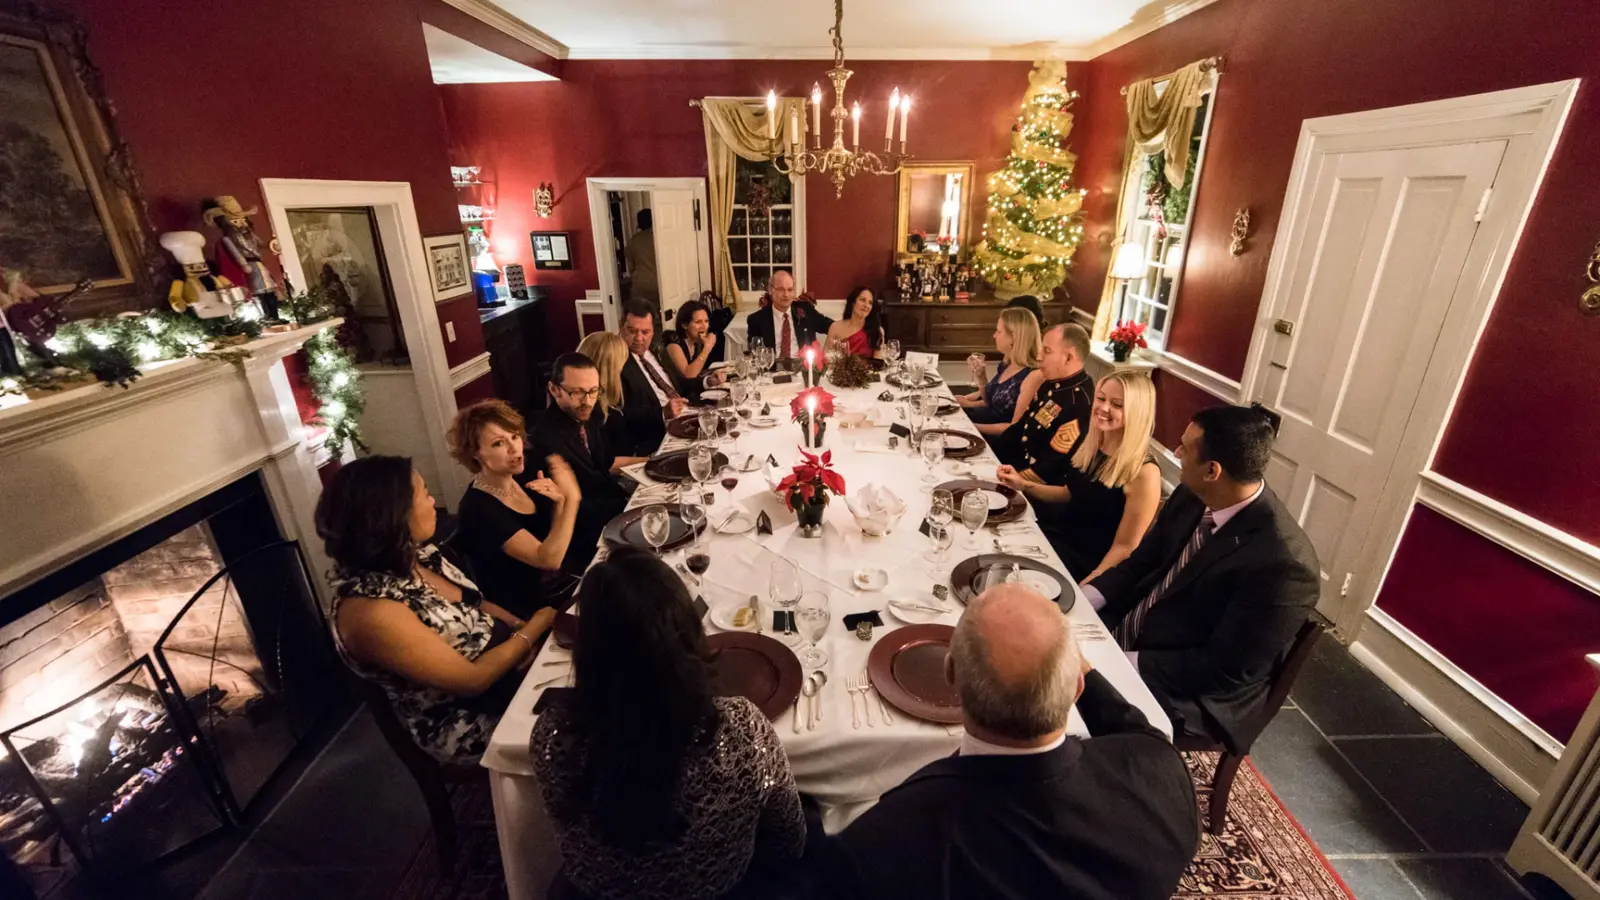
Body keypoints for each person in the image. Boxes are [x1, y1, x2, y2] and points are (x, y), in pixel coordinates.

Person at [819, 583, 1198, 900]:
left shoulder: (890, 838)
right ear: (1077, 687)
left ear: (950, 675)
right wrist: (1081, 676)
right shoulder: (1163, 773)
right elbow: (1138, 734)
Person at [533, 547, 806, 900]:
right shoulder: (740, 726)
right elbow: (790, 842)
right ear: (686, 630)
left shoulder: (552, 734)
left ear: (587, 646)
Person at [1083, 404, 1320, 754]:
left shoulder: (1284, 564)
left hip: (1192, 692)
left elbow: (1222, 670)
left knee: (1063, 710)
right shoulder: (1194, 494)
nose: (1176, 453)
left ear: (1212, 470)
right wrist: (1082, 597)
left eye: (1184, 448)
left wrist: (1118, 660)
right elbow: (1142, 563)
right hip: (1143, 631)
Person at [316, 456, 554, 764]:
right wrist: (535, 627)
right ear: (392, 515)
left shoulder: (418, 555)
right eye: (425, 494)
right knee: (598, 724)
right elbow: (472, 680)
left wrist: (519, 628)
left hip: (506, 675)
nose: (433, 502)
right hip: (472, 720)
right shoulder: (369, 613)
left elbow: (475, 602)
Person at [1013, 371, 1163, 582]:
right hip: (1056, 542)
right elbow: (1069, 493)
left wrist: (1090, 584)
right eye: (1101, 399)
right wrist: (1023, 485)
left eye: (1117, 404)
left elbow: (1125, 547)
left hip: (1085, 564)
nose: (1103, 408)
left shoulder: (1144, 472)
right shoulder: (1094, 444)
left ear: (1138, 411)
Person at [445, 400, 582, 619]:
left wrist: (560, 504)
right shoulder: (479, 508)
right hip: (530, 612)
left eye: (515, 436)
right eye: (499, 443)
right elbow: (547, 559)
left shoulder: (521, 477)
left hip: (561, 586)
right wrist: (572, 499)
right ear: (475, 453)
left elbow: (553, 542)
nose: (514, 448)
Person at [527, 353, 642, 574]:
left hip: (613, 508)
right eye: (577, 392)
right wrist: (629, 507)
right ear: (554, 390)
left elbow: (605, 464)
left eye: (593, 391)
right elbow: (562, 510)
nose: (587, 401)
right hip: (587, 538)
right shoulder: (542, 440)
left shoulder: (588, 415)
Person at [991, 322, 1094, 478]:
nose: (1039, 357)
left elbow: (1050, 469)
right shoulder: (1051, 384)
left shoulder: (1078, 402)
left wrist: (1007, 478)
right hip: (1014, 464)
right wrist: (989, 453)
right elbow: (1020, 428)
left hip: (1033, 486)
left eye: (1047, 351)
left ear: (1068, 357)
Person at [618, 302, 689, 454]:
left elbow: (681, 383)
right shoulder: (617, 361)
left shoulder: (657, 349)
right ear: (621, 327)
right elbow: (622, 415)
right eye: (632, 331)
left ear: (652, 332)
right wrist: (662, 412)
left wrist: (707, 381)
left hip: (686, 416)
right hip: (659, 434)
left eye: (645, 332)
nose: (639, 338)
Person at [959, 307, 1043, 435]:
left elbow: (1014, 429)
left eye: (999, 331)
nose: (994, 335)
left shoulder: (1032, 375)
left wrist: (970, 427)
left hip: (997, 439)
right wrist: (981, 376)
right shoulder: (1007, 363)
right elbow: (989, 402)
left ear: (1013, 337)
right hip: (982, 422)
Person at [744, 270, 832, 365]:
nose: (786, 294)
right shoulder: (756, 320)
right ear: (770, 290)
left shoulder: (806, 310)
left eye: (790, 290)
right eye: (781, 289)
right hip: (772, 372)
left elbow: (830, 326)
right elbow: (754, 352)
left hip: (803, 371)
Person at [664, 299, 719, 399]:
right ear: (684, 325)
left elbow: (699, 372)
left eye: (706, 321)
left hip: (693, 392)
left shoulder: (696, 340)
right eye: (698, 322)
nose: (704, 326)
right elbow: (689, 376)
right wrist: (707, 348)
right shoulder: (674, 344)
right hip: (678, 399)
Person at [824, 286, 883, 359]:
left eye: (870, 303)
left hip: (870, 370)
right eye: (862, 300)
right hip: (840, 370)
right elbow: (825, 358)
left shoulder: (877, 330)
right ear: (853, 302)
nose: (866, 305)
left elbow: (878, 364)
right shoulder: (835, 327)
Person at [625, 208, 658, 315]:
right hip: (657, 283)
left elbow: (631, 267)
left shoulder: (633, 241)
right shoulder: (659, 239)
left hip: (640, 284)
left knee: (640, 315)